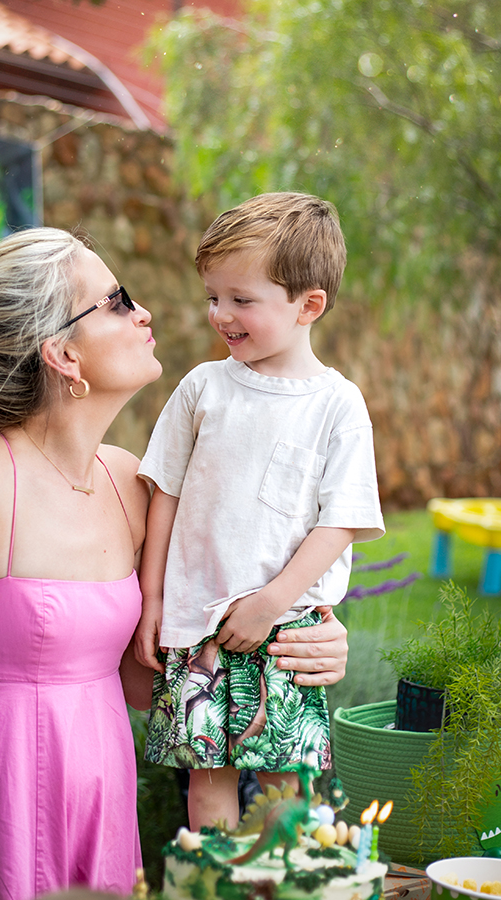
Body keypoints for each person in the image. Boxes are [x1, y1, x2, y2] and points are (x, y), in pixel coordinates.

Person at [0, 225, 349, 900]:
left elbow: (152, 679)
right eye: (117, 301)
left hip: (102, 809)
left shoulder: (129, 485)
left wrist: (306, 640)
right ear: (63, 354)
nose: (144, 313)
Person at [134, 193, 385, 830]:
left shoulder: (337, 405)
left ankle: (281, 876)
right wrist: (153, 597)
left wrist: (271, 602)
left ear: (308, 305)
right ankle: (214, 876)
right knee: (206, 782)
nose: (221, 314)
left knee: (283, 786)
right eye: (213, 296)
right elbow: (166, 494)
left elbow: (341, 520)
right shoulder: (202, 388)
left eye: (241, 299)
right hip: (198, 625)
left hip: (289, 628)